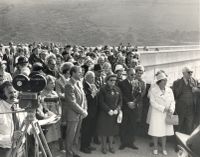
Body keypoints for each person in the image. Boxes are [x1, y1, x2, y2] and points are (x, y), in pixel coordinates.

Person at [147, 72, 175, 155]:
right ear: (159, 82)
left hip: (167, 114)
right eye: (163, 81)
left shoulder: (169, 90)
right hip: (157, 114)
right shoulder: (153, 90)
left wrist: (171, 109)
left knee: (164, 132)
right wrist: (163, 108)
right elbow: (152, 102)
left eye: (166, 80)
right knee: (155, 131)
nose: (165, 82)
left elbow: (173, 101)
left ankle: (163, 148)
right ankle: (155, 148)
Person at [64, 66, 87, 157]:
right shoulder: (69, 84)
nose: (81, 74)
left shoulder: (79, 83)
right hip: (73, 115)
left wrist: (85, 110)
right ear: (73, 73)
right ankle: (69, 154)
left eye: (81, 72)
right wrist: (82, 111)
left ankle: (74, 152)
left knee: (76, 135)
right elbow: (71, 102)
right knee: (70, 136)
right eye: (79, 72)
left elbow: (83, 98)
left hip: (79, 114)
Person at [96, 74, 122, 154]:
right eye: (111, 80)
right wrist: (108, 110)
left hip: (114, 113)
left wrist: (117, 109)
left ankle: (111, 146)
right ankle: (104, 147)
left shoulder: (117, 89)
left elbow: (120, 101)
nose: (113, 82)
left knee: (112, 131)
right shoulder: (103, 89)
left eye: (114, 80)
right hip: (105, 113)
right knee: (104, 131)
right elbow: (101, 102)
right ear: (107, 81)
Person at [0, 81, 25, 157]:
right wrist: (10, 137)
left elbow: (26, 123)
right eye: (10, 93)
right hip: (5, 149)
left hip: (21, 147)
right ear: (3, 94)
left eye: (15, 92)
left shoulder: (20, 105)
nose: (14, 95)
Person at [172, 67, 199, 134]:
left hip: (191, 109)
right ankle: (177, 143)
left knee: (189, 127)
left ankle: (187, 143)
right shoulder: (177, 82)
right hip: (180, 108)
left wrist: (196, 90)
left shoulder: (195, 81)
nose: (191, 74)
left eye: (191, 72)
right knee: (178, 126)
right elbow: (173, 95)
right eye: (189, 72)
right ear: (183, 73)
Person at [118, 68, 140, 150]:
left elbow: (139, 94)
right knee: (124, 125)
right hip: (125, 107)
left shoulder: (136, 82)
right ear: (127, 74)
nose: (133, 76)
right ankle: (123, 142)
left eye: (134, 74)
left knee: (132, 125)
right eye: (131, 74)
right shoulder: (121, 83)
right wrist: (128, 102)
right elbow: (121, 95)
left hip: (134, 107)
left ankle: (131, 142)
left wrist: (134, 102)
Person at [80, 71, 98, 154]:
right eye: (92, 77)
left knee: (91, 129)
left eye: (94, 77)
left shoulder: (93, 85)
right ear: (86, 77)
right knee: (86, 129)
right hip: (87, 111)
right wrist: (93, 94)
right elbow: (85, 99)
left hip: (94, 111)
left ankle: (88, 144)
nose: (93, 79)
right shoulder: (84, 86)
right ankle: (83, 147)